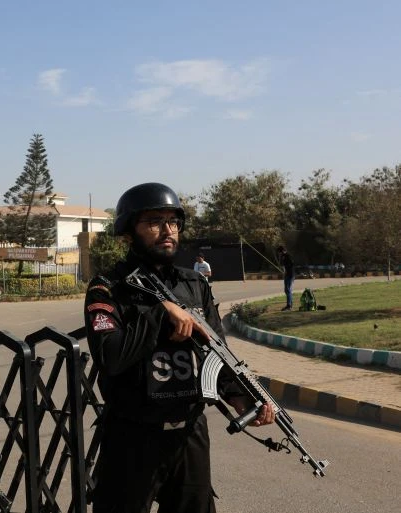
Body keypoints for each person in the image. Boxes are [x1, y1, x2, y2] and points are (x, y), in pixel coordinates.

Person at [84, 182, 273, 513]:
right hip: (133, 435)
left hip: (189, 433)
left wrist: (239, 395)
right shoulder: (107, 287)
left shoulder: (193, 284)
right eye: (155, 222)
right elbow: (110, 357)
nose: (167, 230)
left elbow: (217, 351)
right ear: (129, 231)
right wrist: (159, 314)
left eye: (173, 221)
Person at [277, 245, 295, 311]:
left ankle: (289, 306)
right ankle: (290, 304)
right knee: (287, 290)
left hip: (290, 275)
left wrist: (286, 271)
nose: (279, 254)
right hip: (287, 275)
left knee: (288, 290)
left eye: (279, 252)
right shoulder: (283, 256)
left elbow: (291, 264)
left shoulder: (287, 256)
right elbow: (283, 265)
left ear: (281, 251)